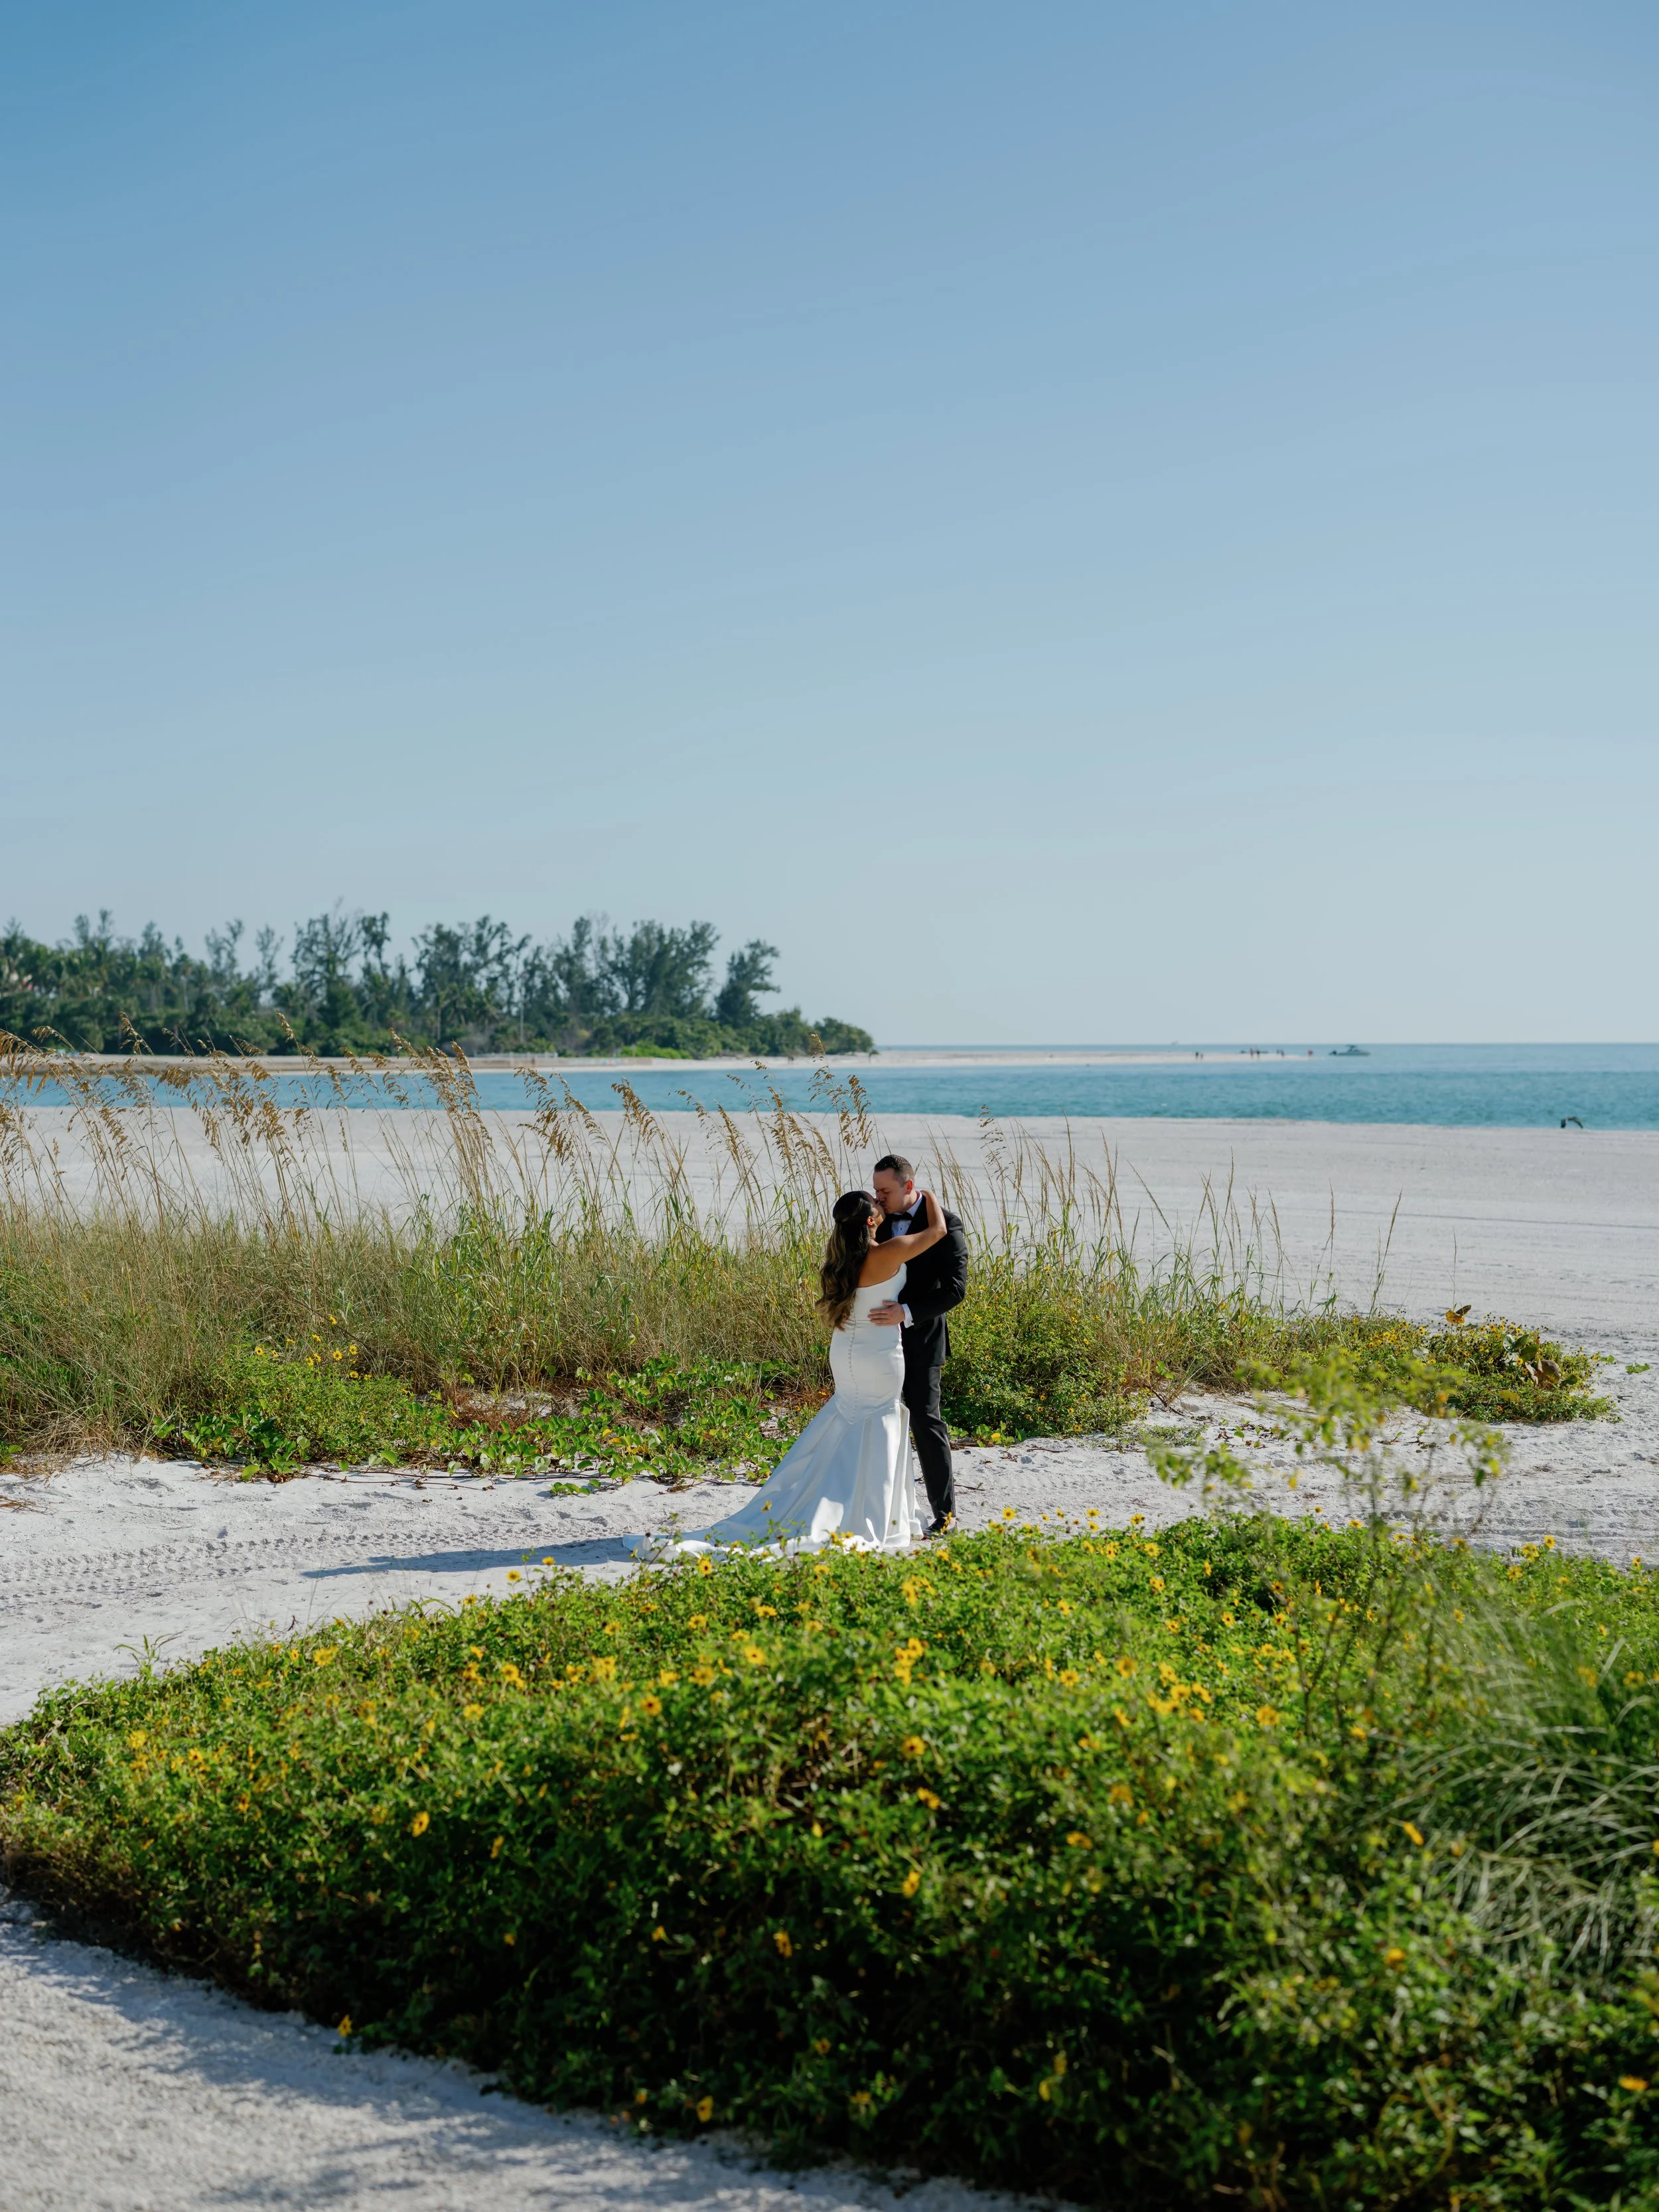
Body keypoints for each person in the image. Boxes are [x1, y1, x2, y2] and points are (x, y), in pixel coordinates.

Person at [630, 1183, 950, 1558]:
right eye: (876, 1206)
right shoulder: (889, 1253)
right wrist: (928, 1197)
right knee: (879, 1420)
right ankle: (873, 1513)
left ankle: (832, 1497)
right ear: (869, 1221)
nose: (882, 1205)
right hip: (879, 1354)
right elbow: (938, 1231)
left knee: (849, 1416)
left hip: (846, 1351)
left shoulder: (837, 1262)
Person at [869, 1151, 969, 1536]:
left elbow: (956, 1290)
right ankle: (881, 1509)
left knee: (926, 1420)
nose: (878, 1197)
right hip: (875, 1340)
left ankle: (946, 1513)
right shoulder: (873, 1220)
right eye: (876, 1189)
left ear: (908, 1186)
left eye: (885, 1191)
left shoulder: (947, 1224)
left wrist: (907, 1311)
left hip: (922, 1336)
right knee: (877, 1419)